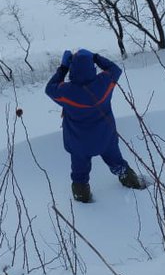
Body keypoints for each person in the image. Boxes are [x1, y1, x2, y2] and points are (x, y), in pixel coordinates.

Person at [45, 48, 146, 202]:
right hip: (105, 139)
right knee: (117, 163)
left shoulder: (66, 91)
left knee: (79, 174)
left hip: (79, 144)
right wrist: (95, 57)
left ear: (73, 70)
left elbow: (49, 88)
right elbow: (115, 69)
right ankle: (131, 181)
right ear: (92, 69)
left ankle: (82, 196)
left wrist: (63, 68)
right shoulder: (103, 83)